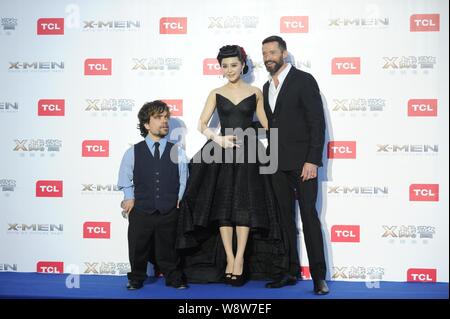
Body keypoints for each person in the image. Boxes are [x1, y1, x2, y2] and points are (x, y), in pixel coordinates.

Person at [176, 45, 289, 286]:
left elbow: (268, 125)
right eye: (225, 66)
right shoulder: (216, 92)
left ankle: (239, 259)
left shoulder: (256, 92)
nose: (229, 70)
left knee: (244, 206)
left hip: (248, 152)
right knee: (224, 207)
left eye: (234, 65)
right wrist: (217, 138)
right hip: (222, 151)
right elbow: (201, 123)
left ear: (243, 65)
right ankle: (229, 257)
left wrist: (251, 131)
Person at [261, 35, 329, 295]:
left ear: (284, 54)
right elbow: (271, 123)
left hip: (303, 164)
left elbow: (317, 123)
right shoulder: (267, 87)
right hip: (276, 163)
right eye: (265, 53)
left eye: (273, 52)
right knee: (284, 219)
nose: (268, 57)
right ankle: (289, 272)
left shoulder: (304, 80)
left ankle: (318, 278)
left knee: (309, 218)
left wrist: (313, 159)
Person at [117, 100, 189, 290]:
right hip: (141, 209)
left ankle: (174, 278)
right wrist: (129, 197)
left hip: (169, 209)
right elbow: (125, 178)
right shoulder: (133, 151)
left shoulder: (177, 151)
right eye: (158, 117)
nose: (164, 121)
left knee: (169, 248)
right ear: (147, 124)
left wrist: (179, 198)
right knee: (137, 247)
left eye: (166, 117)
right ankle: (136, 278)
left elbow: (183, 177)